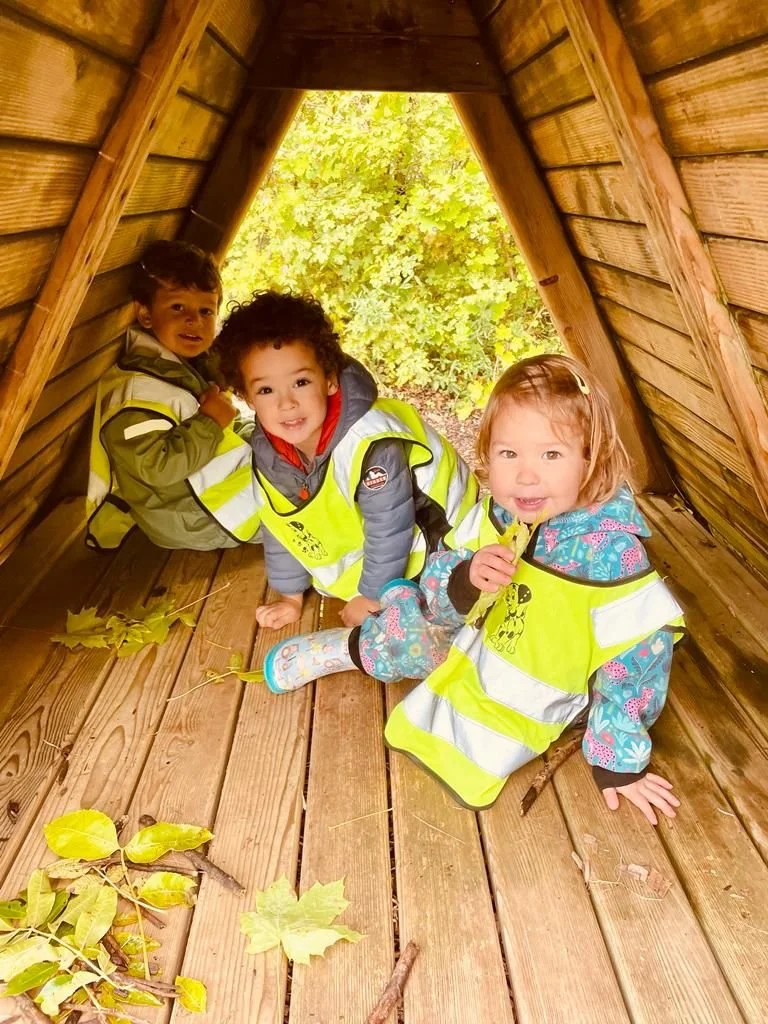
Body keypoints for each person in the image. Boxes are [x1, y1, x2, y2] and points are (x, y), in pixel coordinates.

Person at [384, 353, 685, 822]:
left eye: (551, 454)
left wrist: (617, 762)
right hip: (475, 647)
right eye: (509, 454)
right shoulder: (499, 514)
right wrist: (466, 579)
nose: (526, 475)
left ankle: (362, 640)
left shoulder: (608, 555)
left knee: (406, 643)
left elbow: (636, 659)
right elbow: (442, 574)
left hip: (539, 696)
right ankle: (353, 645)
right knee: (401, 634)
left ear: (591, 459)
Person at [214, 290, 478, 655]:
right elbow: (280, 521)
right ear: (247, 397)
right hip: (385, 549)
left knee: (423, 630)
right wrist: (290, 596)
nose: (286, 403)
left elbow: (390, 527)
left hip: (444, 537)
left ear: (330, 380)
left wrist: (371, 597)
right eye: (266, 389)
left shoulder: (369, 441)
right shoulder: (269, 451)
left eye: (301, 382)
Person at [86, 240, 262, 552]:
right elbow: (158, 467)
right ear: (146, 314)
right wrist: (210, 421)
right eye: (178, 307)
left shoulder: (179, 367)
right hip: (195, 519)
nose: (194, 320)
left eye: (206, 310)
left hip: (202, 498)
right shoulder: (135, 392)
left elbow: (225, 431)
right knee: (307, 504)